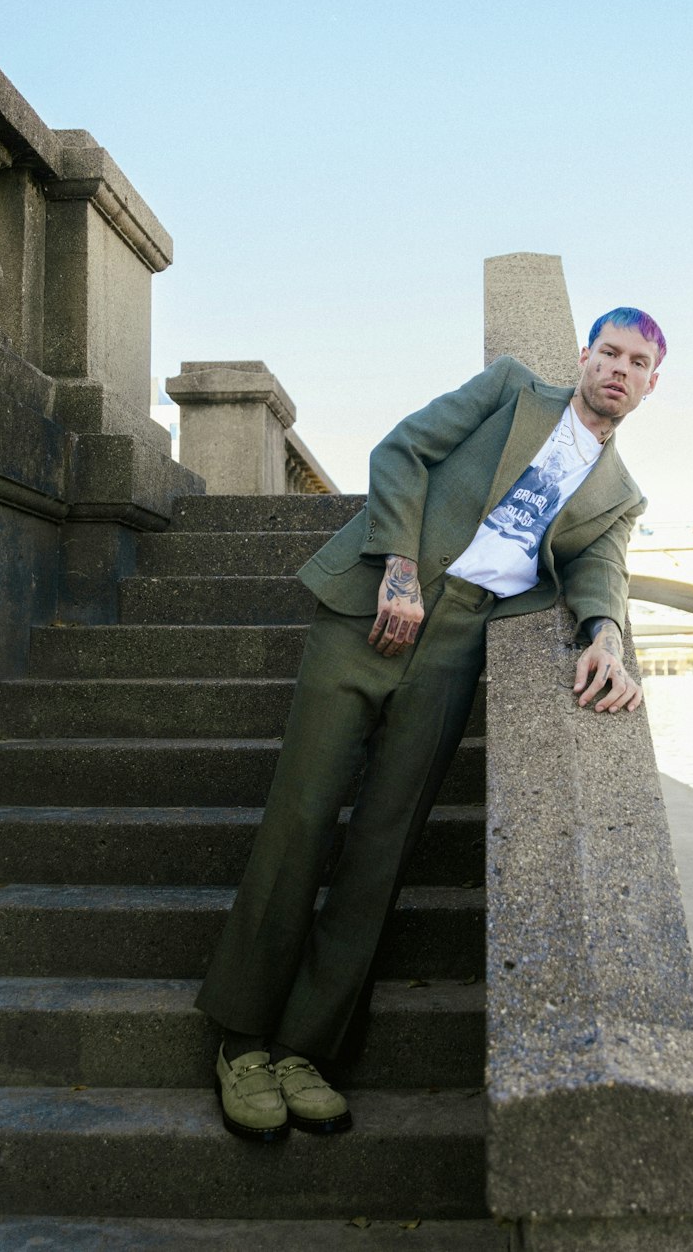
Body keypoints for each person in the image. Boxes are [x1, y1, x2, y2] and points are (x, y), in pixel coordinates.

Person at [196, 306, 666, 1141]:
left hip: (458, 646)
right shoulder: (510, 390)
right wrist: (401, 571)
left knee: (385, 844)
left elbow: (602, 568)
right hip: (373, 609)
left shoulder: (619, 495)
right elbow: (401, 450)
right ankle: (241, 1040)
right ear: (584, 356)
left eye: (638, 362)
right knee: (302, 816)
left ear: (652, 383)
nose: (620, 370)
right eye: (610, 352)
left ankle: (305, 1046)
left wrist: (607, 636)